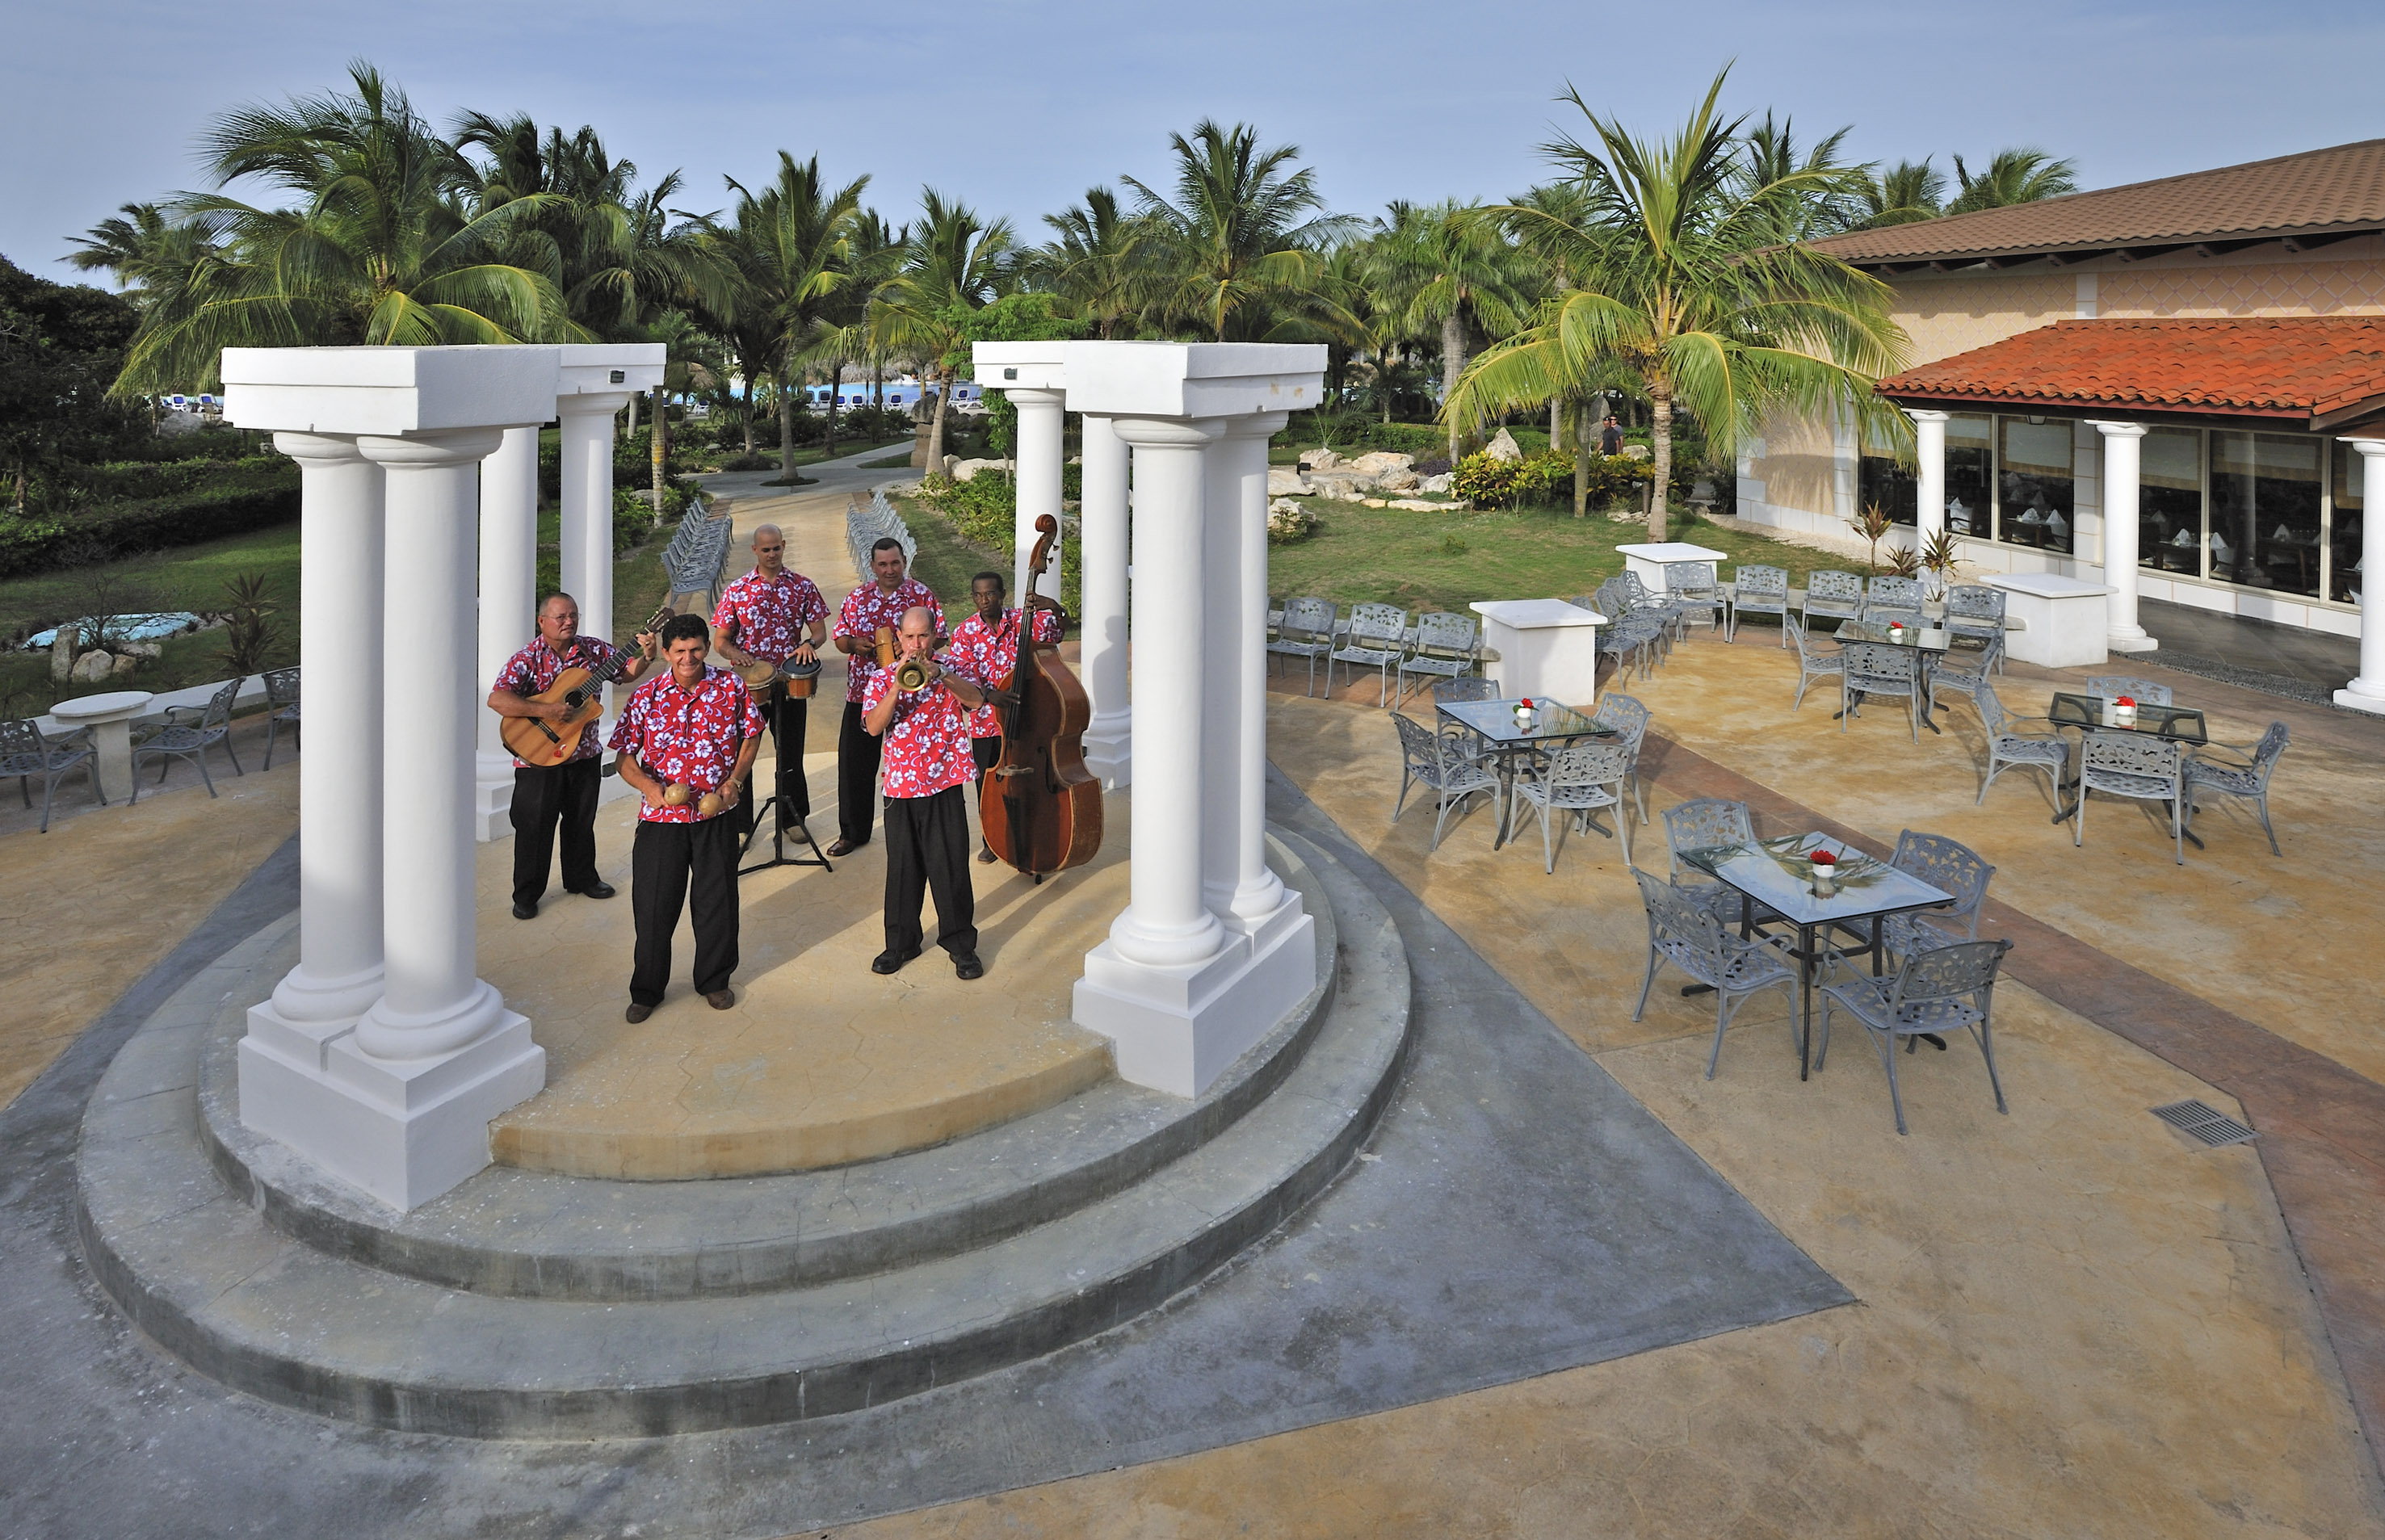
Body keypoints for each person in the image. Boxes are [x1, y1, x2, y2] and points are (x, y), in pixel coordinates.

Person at [609, 614, 764, 1022]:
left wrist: (735, 780)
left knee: (717, 902)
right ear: (665, 653)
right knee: (654, 906)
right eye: (679, 651)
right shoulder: (645, 697)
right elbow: (624, 757)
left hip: (715, 816)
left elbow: (752, 733)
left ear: (706, 648)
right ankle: (647, 989)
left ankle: (714, 981)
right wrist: (649, 788)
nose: (688, 657)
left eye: (696, 649)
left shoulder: (731, 687)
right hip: (662, 822)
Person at [486, 592, 656, 921]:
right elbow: (498, 700)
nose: (569, 622)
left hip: (583, 755)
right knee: (534, 828)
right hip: (538, 758)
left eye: (573, 616)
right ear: (542, 622)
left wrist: (647, 656)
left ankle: (582, 879)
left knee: (581, 822)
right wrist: (547, 709)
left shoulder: (593, 649)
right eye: (561, 617)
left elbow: (627, 672)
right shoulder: (527, 658)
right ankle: (527, 893)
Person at [863, 606, 988, 980]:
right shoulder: (881, 677)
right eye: (909, 637)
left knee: (950, 869)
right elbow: (872, 727)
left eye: (923, 636)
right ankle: (900, 944)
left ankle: (961, 946)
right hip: (901, 788)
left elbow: (977, 701)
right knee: (903, 871)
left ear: (934, 636)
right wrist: (897, 687)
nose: (916, 645)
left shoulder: (952, 668)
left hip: (945, 783)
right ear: (898, 639)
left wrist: (942, 674)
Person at [711, 523, 828, 840]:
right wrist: (736, 652)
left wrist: (809, 645)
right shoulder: (737, 590)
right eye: (766, 549)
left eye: (777, 548)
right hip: (751, 685)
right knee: (742, 752)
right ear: (755, 551)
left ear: (784, 546)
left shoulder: (802, 586)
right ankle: (740, 824)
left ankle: (792, 819)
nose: (772, 554)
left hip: (789, 681)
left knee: (790, 751)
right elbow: (720, 640)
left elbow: (820, 632)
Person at [829, 537, 942, 858]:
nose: (889, 569)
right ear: (873, 566)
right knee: (854, 765)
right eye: (883, 564)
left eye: (895, 563)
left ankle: (920, 830)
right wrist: (856, 646)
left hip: (912, 697)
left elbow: (941, 635)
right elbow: (840, 639)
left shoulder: (922, 595)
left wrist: (908, 648)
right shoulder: (857, 598)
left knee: (916, 763)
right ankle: (853, 832)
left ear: (903, 561)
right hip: (863, 691)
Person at [943, 569, 1065, 863]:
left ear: (1002, 594)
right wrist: (988, 695)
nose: (984, 600)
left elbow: (1057, 632)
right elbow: (963, 674)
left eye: (990, 594)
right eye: (978, 595)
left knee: (1031, 779)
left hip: (1027, 718)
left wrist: (1055, 607)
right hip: (987, 723)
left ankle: (1033, 831)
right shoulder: (965, 632)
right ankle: (992, 839)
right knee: (989, 785)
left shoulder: (1023, 621)